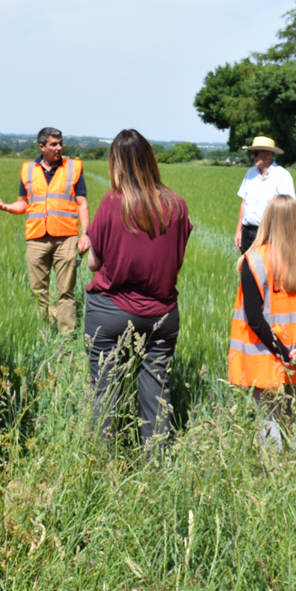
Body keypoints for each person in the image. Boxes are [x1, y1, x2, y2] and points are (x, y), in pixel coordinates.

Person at [84, 129, 191, 452]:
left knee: (104, 391)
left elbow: (93, 262)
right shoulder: (177, 205)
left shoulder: (112, 202)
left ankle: (103, 465)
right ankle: (156, 466)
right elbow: (176, 259)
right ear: (150, 160)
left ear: (116, 164)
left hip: (111, 309)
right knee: (157, 392)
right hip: (162, 313)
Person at [230, 195, 296, 448]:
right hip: (295, 354)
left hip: (262, 353)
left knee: (266, 417)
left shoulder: (253, 259)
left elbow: (254, 319)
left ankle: (272, 473)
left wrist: (283, 353)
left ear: (267, 221)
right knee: (289, 413)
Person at [0, 127, 89, 334]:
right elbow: (22, 204)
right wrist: (6, 207)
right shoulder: (28, 170)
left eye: (61, 143)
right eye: (54, 144)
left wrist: (85, 233)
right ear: (42, 146)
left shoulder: (73, 168)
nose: (59, 148)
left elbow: (82, 204)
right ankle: (41, 334)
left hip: (66, 237)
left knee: (66, 292)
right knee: (38, 292)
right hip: (36, 238)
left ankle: (66, 335)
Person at [233, 136, 295, 254]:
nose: (252, 157)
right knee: (245, 270)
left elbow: (289, 209)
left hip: (270, 234)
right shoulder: (250, 173)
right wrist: (238, 231)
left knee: (267, 270)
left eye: (256, 153)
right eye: (252, 153)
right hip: (248, 233)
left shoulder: (282, 176)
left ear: (269, 155)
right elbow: (244, 202)